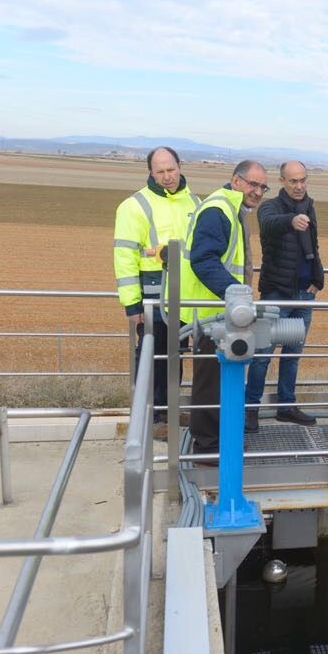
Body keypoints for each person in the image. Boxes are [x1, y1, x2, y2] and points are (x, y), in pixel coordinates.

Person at [179, 160, 267, 459]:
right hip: (211, 315)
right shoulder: (219, 209)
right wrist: (238, 296)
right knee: (210, 382)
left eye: (262, 187)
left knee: (219, 380)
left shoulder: (231, 208)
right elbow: (204, 261)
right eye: (253, 184)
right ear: (236, 180)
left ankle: (218, 440)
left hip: (222, 313)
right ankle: (208, 447)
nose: (258, 192)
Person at [112, 146, 199, 436]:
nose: (167, 176)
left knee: (176, 355)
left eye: (171, 169)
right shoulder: (134, 205)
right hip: (152, 296)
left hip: (185, 296)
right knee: (152, 355)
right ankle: (149, 420)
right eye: (160, 171)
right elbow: (124, 256)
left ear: (180, 166)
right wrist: (132, 304)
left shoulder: (195, 203)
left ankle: (168, 412)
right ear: (150, 172)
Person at [244, 161, 324, 431]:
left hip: (304, 295)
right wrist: (291, 220)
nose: (299, 186)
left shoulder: (309, 206)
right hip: (277, 294)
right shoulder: (270, 207)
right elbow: (268, 225)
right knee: (262, 355)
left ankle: (286, 406)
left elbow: (313, 247)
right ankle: (250, 409)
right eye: (293, 181)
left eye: (303, 180)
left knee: (292, 355)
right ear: (281, 182)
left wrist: (317, 280)